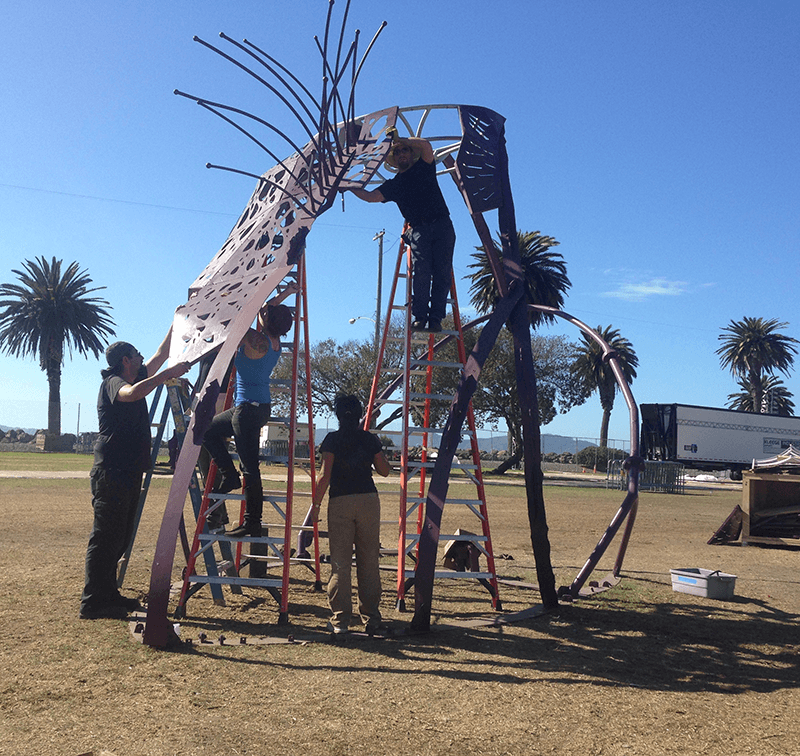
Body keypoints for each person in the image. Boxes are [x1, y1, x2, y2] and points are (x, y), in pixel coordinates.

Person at [80, 329, 190, 620]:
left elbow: (160, 354)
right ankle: (92, 602)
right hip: (111, 470)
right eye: (137, 356)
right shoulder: (113, 382)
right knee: (105, 537)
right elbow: (132, 394)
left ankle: (108, 595)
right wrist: (167, 375)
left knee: (121, 536)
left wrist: (175, 323)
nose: (142, 359)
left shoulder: (135, 374)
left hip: (127, 470)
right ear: (126, 360)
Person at [202, 282, 299, 538]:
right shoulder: (272, 338)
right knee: (208, 430)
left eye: (267, 313)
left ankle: (252, 520)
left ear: (267, 321)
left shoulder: (258, 340)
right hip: (251, 407)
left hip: (249, 411)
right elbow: (268, 309)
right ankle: (228, 476)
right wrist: (287, 293)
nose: (265, 312)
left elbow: (241, 317)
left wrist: (226, 298)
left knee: (250, 467)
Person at [347, 129, 455, 332]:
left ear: (410, 153)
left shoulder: (424, 167)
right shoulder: (394, 185)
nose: (402, 154)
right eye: (397, 152)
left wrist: (400, 139)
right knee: (422, 272)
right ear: (394, 160)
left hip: (442, 225)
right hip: (419, 229)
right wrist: (348, 186)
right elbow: (370, 197)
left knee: (442, 273)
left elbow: (426, 146)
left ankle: (436, 319)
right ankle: (420, 317)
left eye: (405, 150)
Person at [312, 394, 391, 634]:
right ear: (359, 414)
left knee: (340, 564)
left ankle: (340, 621)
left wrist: (315, 506)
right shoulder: (369, 439)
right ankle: (372, 619)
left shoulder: (332, 440)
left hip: (340, 501)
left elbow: (324, 475)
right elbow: (385, 471)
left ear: (337, 415)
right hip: (368, 499)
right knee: (369, 561)